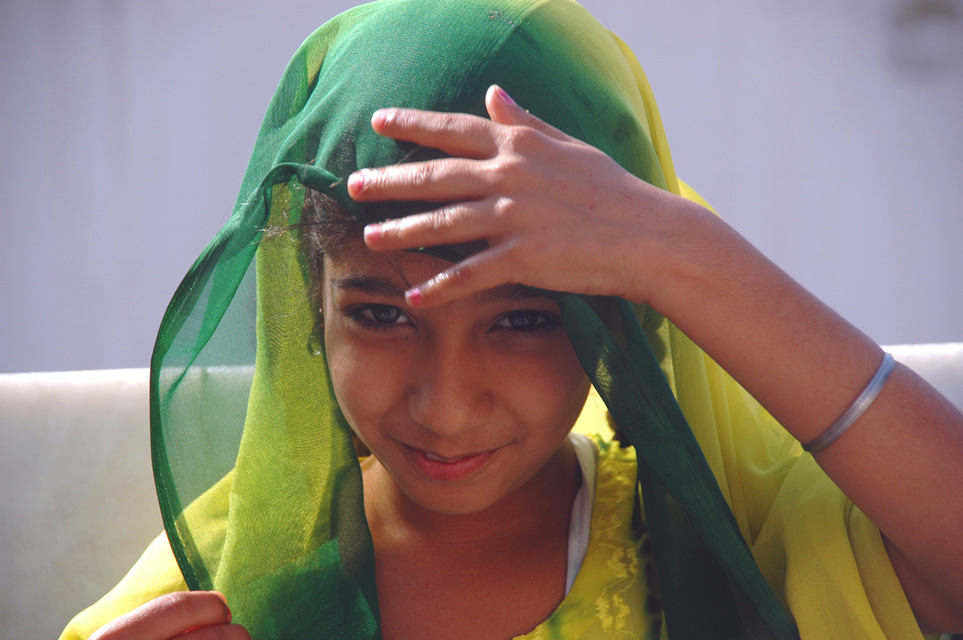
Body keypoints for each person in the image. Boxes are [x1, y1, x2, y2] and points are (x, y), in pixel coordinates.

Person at [61, 0, 963, 638]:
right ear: (307, 304)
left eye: (521, 321)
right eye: (379, 313)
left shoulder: (725, 540)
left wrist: (680, 250)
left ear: (619, 319)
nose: (446, 408)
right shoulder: (233, 582)